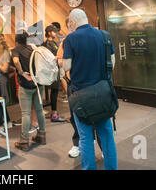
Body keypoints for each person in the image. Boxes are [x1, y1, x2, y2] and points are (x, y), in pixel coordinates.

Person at [62, 9, 117, 170]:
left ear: (72, 22)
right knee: (107, 136)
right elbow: (112, 62)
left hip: (81, 96)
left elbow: (67, 65)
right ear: (86, 18)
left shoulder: (71, 38)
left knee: (85, 138)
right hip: (103, 94)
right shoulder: (104, 35)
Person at [12, 32, 47, 151]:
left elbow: (16, 61)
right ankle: (42, 136)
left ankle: (24, 141)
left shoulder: (16, 49)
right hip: (38, 83)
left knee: (25, 113)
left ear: (16, 40)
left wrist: (21, 72)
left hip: (25, 85)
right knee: (39, 110)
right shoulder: (33, 48)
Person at [43, 25, 67, 123]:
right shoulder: (48, 44)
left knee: (55, 92)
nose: (55, 33)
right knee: (54, 91)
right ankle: (54, 114)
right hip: (52, 71)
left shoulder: (53, 43)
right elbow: (51, 57)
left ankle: (54, 113)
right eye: (54, 31)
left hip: (55, 69)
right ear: (49, 32)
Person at [0, 35, 13, 131]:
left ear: (0, 45)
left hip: (2, 79)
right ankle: (8, 121)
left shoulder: (5, 54)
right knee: (0, 102)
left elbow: (4, 69)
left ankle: (0, 125)